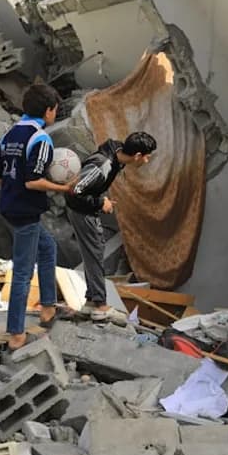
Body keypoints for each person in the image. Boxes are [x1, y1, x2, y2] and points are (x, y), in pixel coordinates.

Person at [0, 84, 77, 349]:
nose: (55, 114)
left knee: (47, 248)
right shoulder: (41, 139)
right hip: (26, 211)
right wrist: (63, 188)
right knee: (23, 272)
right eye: (55, 110)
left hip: (9, 206)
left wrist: (13, 184)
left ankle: (48, 308)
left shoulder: (10, 134)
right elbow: (33, 181)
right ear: (48, 111)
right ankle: (16, 335)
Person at [65, 132, 157, 321]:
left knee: (94, 252)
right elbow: (74, 191)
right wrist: (100, 203)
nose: (147, 161)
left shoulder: (117, 155)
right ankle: (100, 306)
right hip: (82, 213)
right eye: (146, 157)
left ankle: (91, 302)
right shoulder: (103, 165)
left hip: (86, 210)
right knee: (95, 255)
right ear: (137, 156)